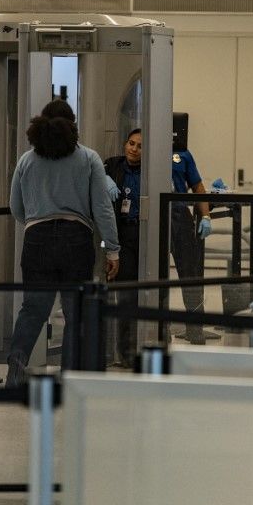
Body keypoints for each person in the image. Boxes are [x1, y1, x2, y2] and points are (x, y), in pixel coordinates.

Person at [5, 100, 119, 387]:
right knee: (74, 311)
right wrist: (113, 248)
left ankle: (16, 372)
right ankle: (69, 378)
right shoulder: (89, 158)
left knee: (32, 310)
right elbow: (102, 208)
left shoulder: (27, 159)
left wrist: (37, 219)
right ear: (73, 124)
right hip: (75, 239)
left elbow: (16, 208)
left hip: (36, 239)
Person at [103, 129, 144, 365]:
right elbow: (92, 172)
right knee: (127, 295)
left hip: (146, 233)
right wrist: (103, 179)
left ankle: (144, 347)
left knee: (146, 295)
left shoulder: (153, 170)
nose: (134, 149)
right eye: (131, 143)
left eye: (139, 146)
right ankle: (125, 353)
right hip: (123, 234)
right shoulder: (112, 166)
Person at [168, 142, 212, 344]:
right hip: (153, 215)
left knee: (190, 274)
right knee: (154, 274)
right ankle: (157, 329)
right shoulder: (145, 149)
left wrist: (206, 216)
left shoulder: (183, 154)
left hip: (179, 213)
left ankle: (195, 330)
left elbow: (198, 186)